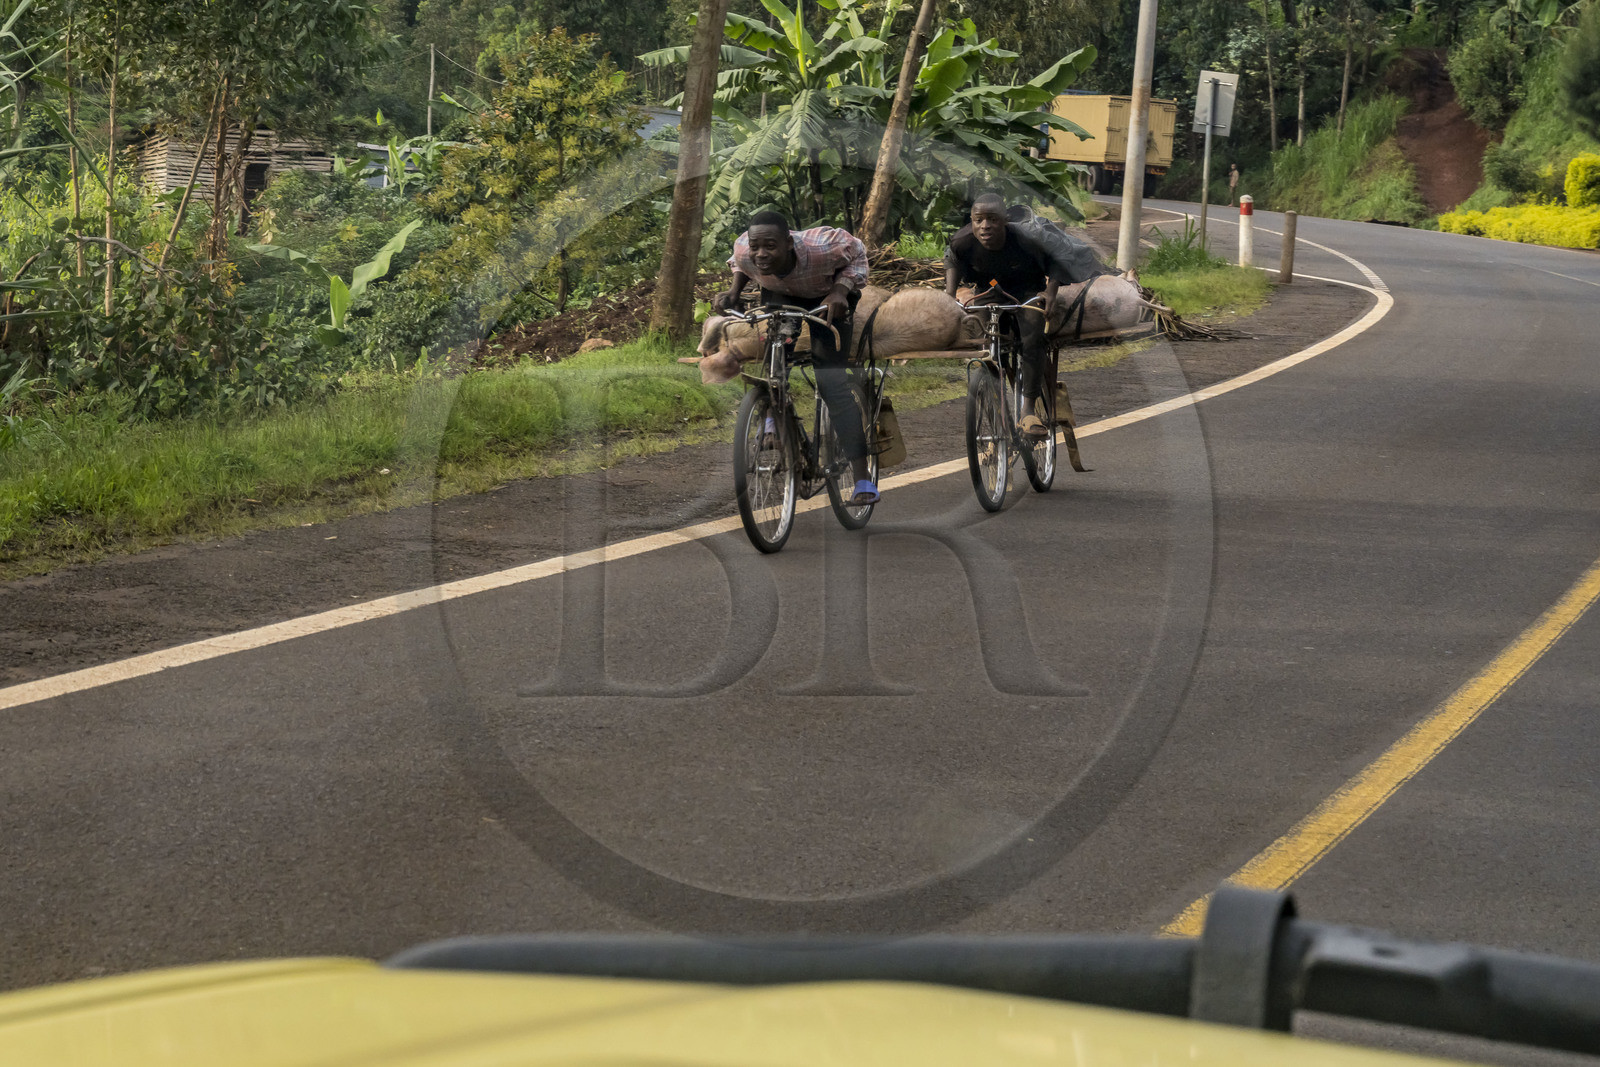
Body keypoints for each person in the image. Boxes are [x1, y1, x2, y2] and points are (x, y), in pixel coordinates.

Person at [713, 210, 878, 505]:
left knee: (831, 383)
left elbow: (858, 252)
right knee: (775, 362)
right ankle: (771, 423)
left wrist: (841, 290)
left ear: (789, 243)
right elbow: (741, 264)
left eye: (770, 246)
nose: (761, 254)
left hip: (828, 296)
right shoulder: (744, 249)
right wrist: (734, 291)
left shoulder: (823, 247)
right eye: (756, 247)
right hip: (781, 295)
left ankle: (862, 478)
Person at [944, 192, 1081, 438]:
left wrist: (1050, 292)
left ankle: (1028, 410)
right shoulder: (962, 241)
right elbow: (952, 261)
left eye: (993, 219)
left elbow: (1058, 255)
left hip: (1027, 290)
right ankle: (993, 402)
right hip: (988, 291)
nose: (985, 226)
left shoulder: (1027, 238)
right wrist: (949, 295)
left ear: (1005, 220)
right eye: (978, 220)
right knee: (983, 342)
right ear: (972, 221)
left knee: (1032, 338)